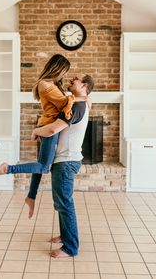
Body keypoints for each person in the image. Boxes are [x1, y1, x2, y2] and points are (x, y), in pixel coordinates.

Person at [0, 54, 87, 217]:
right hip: (48, 127)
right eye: (64, 71)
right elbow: (64, 104)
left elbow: (64, 103)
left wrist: (76, 98)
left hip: (46, 124)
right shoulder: (46, 84)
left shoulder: (51, 84)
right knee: (44, 167)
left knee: (41, 164)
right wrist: (82, 98)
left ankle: (31, 197)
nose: (64, 76)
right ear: (58, 68)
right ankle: (7, 168)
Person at [31, 73, 94, 258]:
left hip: (66, 161)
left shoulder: (78, 106)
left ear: (84, 86)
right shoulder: (80, 102)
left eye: (76, 78)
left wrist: (36, 130)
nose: (72, 79)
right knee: (61, 203)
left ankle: (70, 248)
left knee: (65, 204)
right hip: (66, 159)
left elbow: (52, 129)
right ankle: (65, 236)